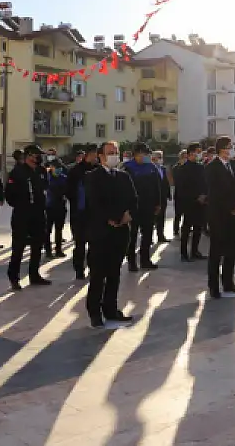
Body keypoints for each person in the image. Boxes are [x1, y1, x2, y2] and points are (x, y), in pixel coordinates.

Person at [83, 141, 137, 329]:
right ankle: (94, 311)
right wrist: (112, 217)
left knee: (114, 273)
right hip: (101, 233)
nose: (114, 155)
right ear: (101, 156)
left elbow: (133, 198)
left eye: (116, 152)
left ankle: (111, 309)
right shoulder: (92, 177)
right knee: (98, 274)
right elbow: (95, 203)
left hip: (121, 232)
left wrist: (127, 215)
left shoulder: (123, 176)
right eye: (110, 152)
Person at [204, 136, 235, 298]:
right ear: (221, 149)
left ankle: (229, 282)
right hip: (219, 215)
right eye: (229, 146)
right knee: (216, 252)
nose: (232, 149)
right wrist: (231, 207)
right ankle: (214, 286)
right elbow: (216, 193)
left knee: (231, 251)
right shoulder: (211, 168)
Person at [4, 144, 52, 290]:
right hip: (22, 214)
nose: (39, 158)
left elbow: (45, 187)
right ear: (30, 155)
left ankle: (34, 274)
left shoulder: (41, 170)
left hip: (38, 213)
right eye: (37, 155)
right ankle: (14, 277)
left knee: (37, 245)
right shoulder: (17, 171)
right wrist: (22, 204)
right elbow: (9, 195)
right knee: (19, 246)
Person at [121, 143, 163, 270]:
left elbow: (157, 186)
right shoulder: (128, 168)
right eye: (144, 154)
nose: (146, 156)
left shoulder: (151, 167)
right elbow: (123, 190)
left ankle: (145, 260)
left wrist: (158, 203)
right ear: (137, 154)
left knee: (148, 234)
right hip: (134, 207)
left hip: (149, 206)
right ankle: (132, 262)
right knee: (132, 235)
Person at [66, 145, 99, 279]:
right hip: (79, 214)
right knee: (79, 244)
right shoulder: (75, 170)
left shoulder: (99, 170)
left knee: (94, 244)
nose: (96, 158)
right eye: (94, 155)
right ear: (88, 155)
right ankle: (79, 270)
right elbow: (68, 190)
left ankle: (93, 268)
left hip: (95, 215)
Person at [176, 143, 208, 262]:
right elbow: (182, 188)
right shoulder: (183, 169)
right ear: (190, 153)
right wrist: (195, 197)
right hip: (189, 203)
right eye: (197, 151)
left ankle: (195, 251)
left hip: (201, 203)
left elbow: (205, 183)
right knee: (186, 228)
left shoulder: (201, 167)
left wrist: (204, 195)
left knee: (198, 228)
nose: (199, 154)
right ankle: (184, 253)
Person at [45, 159, 69, 259]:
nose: (58, 169)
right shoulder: (46, 177)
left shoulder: (64, 178)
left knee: (59, 229)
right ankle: (48, 251)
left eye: (59, 167)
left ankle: (58, 250)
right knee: (47, 230)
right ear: (51, 167)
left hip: (60, 206)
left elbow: (67, 190)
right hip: (49, 207)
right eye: (56, 167)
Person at [153, 150, 173, 243]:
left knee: (161, 217)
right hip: (153, 197)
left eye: (161, 156)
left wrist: (168, 194)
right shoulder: (150, 168)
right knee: (152, 218)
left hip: (163, 197)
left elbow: (166, 182)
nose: (160, 158)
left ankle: (161, 236)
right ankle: (149, 238)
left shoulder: (163, 168)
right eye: (158, 156)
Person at [172, 150, 188, 235]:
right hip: (179, 195)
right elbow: (176, 179)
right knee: (178, 214)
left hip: (187, 195)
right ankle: (176, 230)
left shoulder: (189, 167)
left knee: (187, 214)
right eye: (184, 157)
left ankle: (185, 229)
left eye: (186, 157)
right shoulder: (176, 167)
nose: (185, 159)